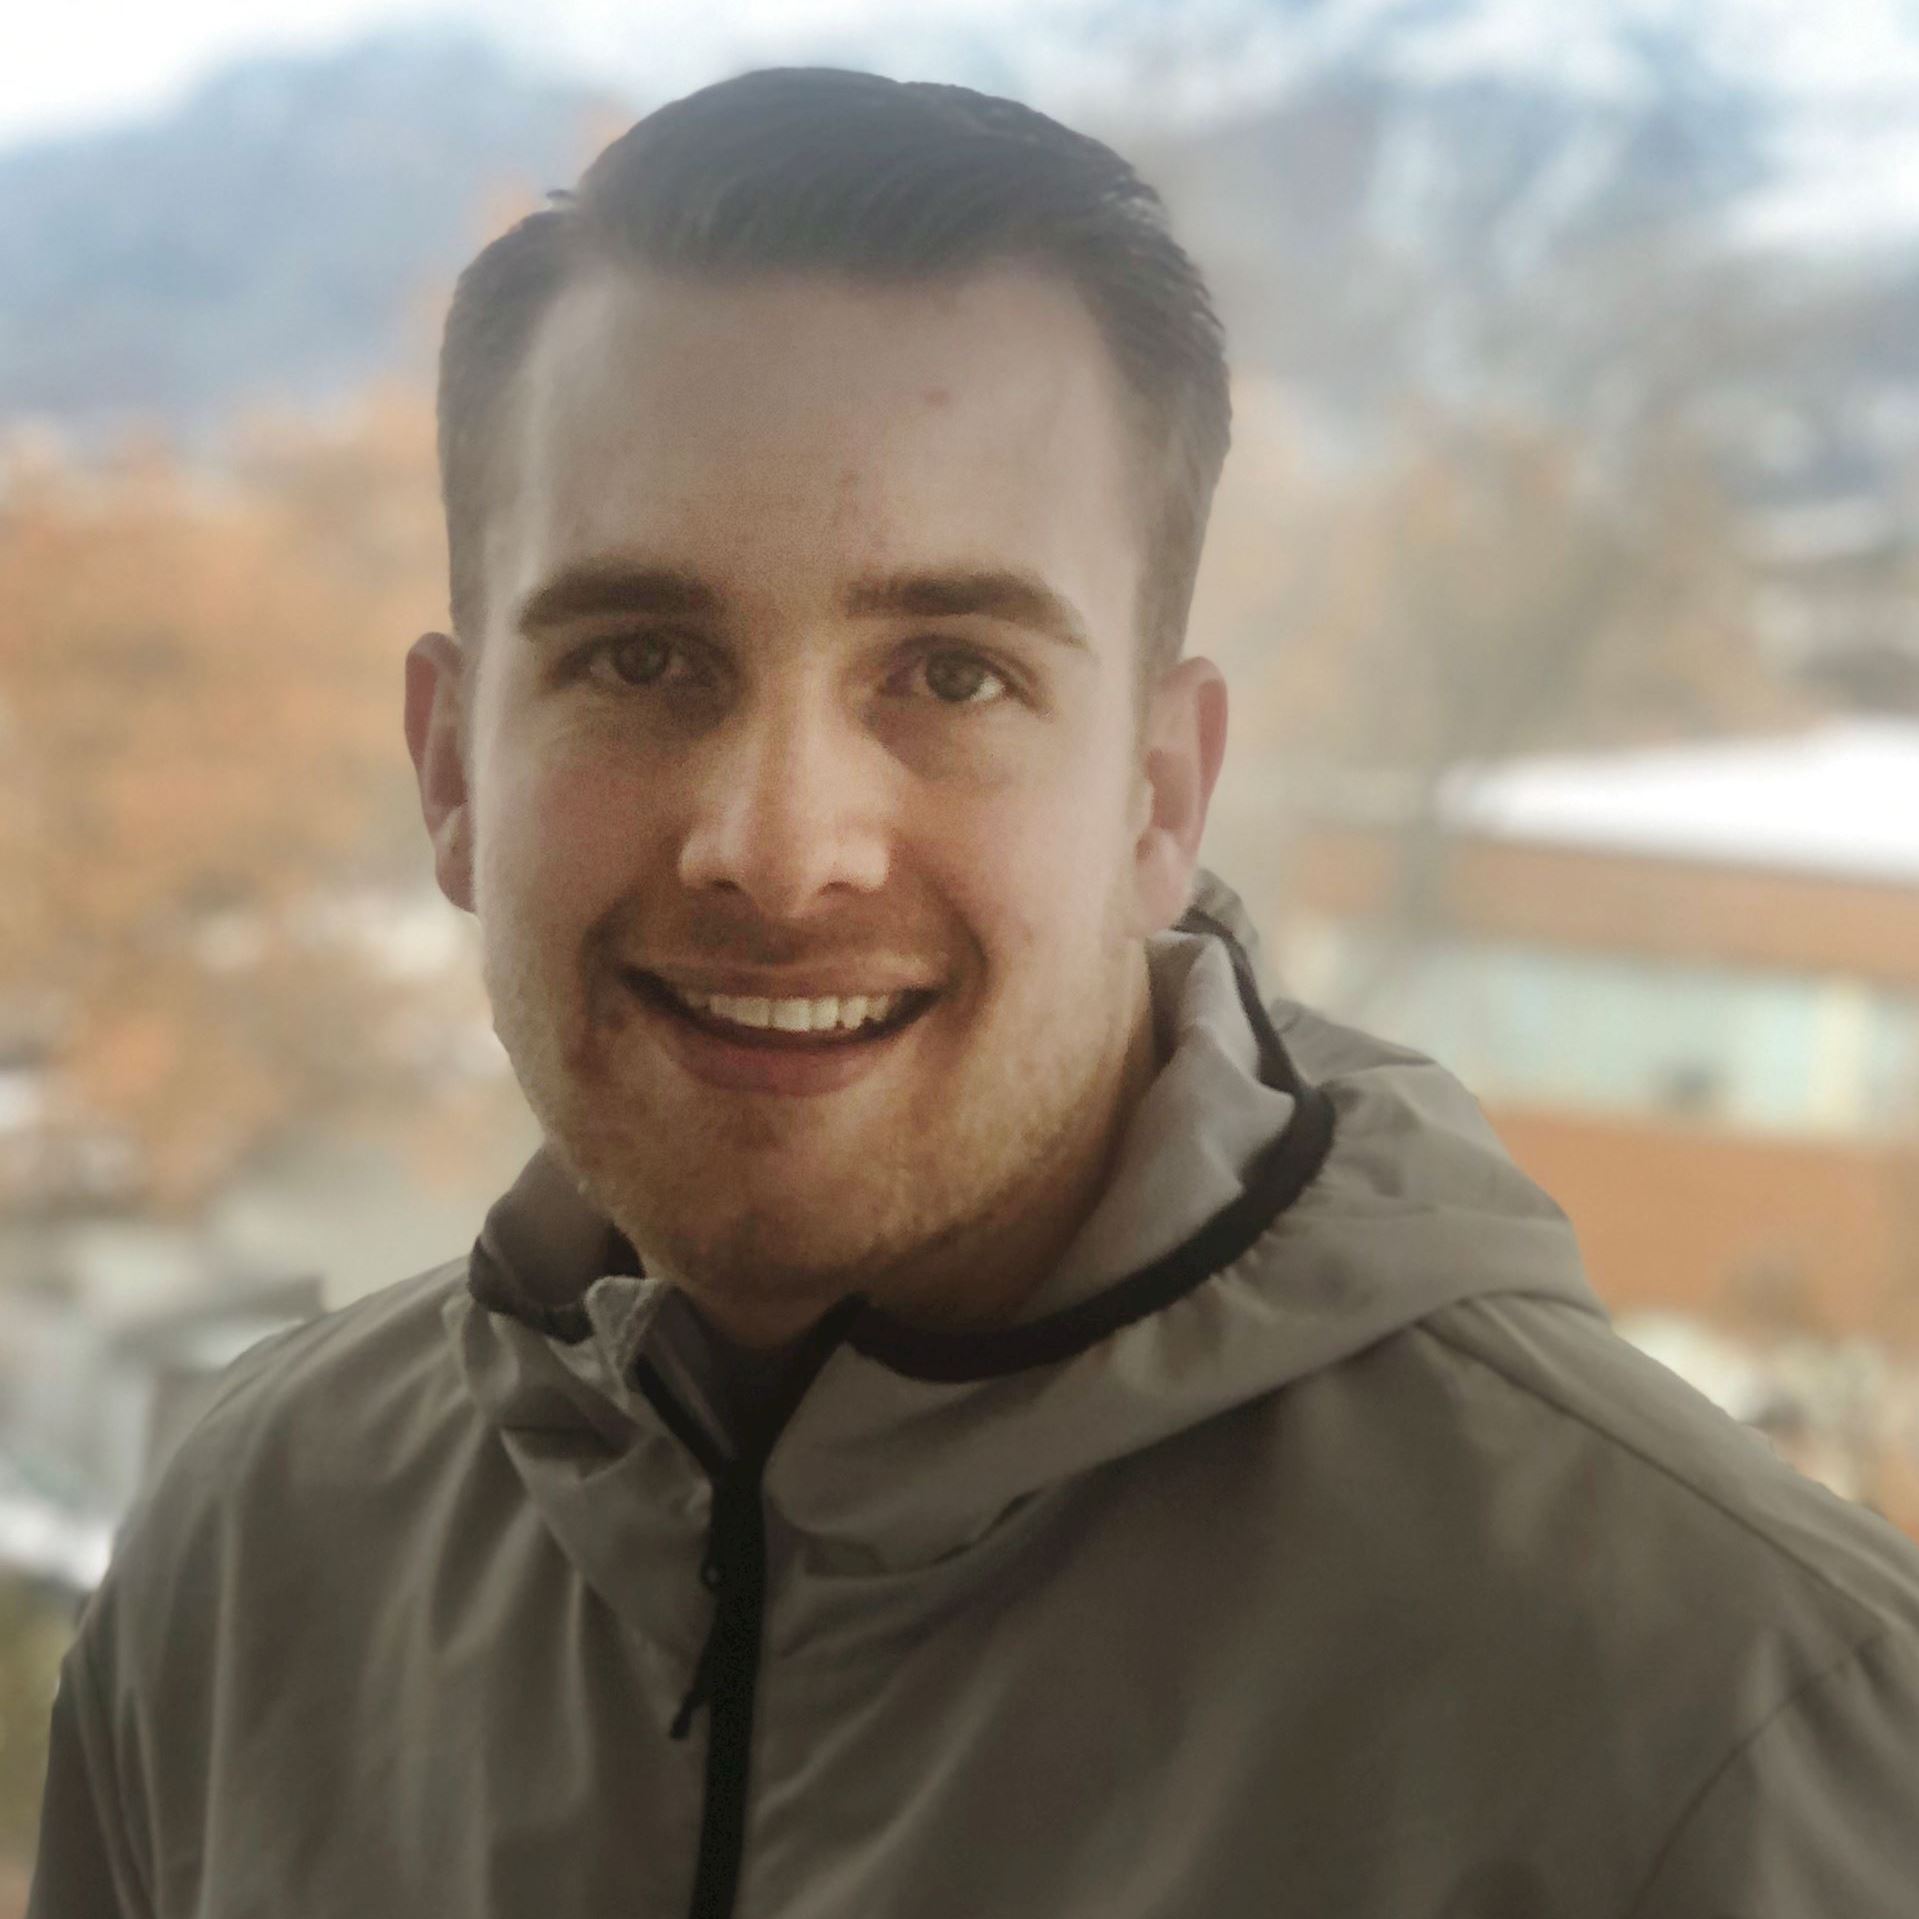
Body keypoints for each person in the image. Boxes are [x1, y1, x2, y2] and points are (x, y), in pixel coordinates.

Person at [29, 67, 1919, 1919]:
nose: (780, 850)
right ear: (451, 768)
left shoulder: (1722, 1723)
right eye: (641, 659)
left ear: (1159, 796)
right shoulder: (252, 1565)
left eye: (953, 674)